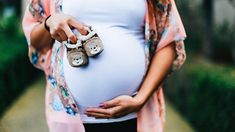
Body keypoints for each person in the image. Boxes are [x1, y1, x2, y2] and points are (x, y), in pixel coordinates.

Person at [22, 0, 187, 131]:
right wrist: (49, 22)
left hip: (134, 116)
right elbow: (36, 43)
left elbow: (168, 40)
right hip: (70, 118)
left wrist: (140, 98)